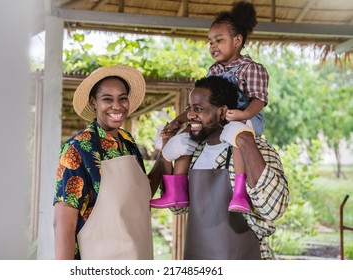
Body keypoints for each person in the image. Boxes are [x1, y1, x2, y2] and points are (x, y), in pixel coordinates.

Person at [151, 2, 269, 213]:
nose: (213, 46)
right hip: (218, 122)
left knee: (237, 136)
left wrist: (243, 115)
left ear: (237, 40)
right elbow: (200, 105)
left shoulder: (251, 69)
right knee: (187, 136)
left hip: (245, 117)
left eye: (219, 40)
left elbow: (259, 100)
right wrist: (180, 121)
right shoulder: (213, 70)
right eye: (210, 42)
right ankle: (175, 191)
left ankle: (240, 192)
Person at [161, 75, 288, 260]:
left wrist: (245, 142)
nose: (190, 115)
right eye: (189, 108)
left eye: (198, 109)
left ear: (222, 112)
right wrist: (166, 157)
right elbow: (177, 208)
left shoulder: (258, 148)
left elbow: (273, 209)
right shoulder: (193, 153)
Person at [53, 65, 163, 260]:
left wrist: (166, 154)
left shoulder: (128, 142)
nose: (117, 106)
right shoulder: (78, 149)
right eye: (107, 99)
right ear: (93, 102)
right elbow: (63, 225)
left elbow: (140, 195)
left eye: (122, 98)